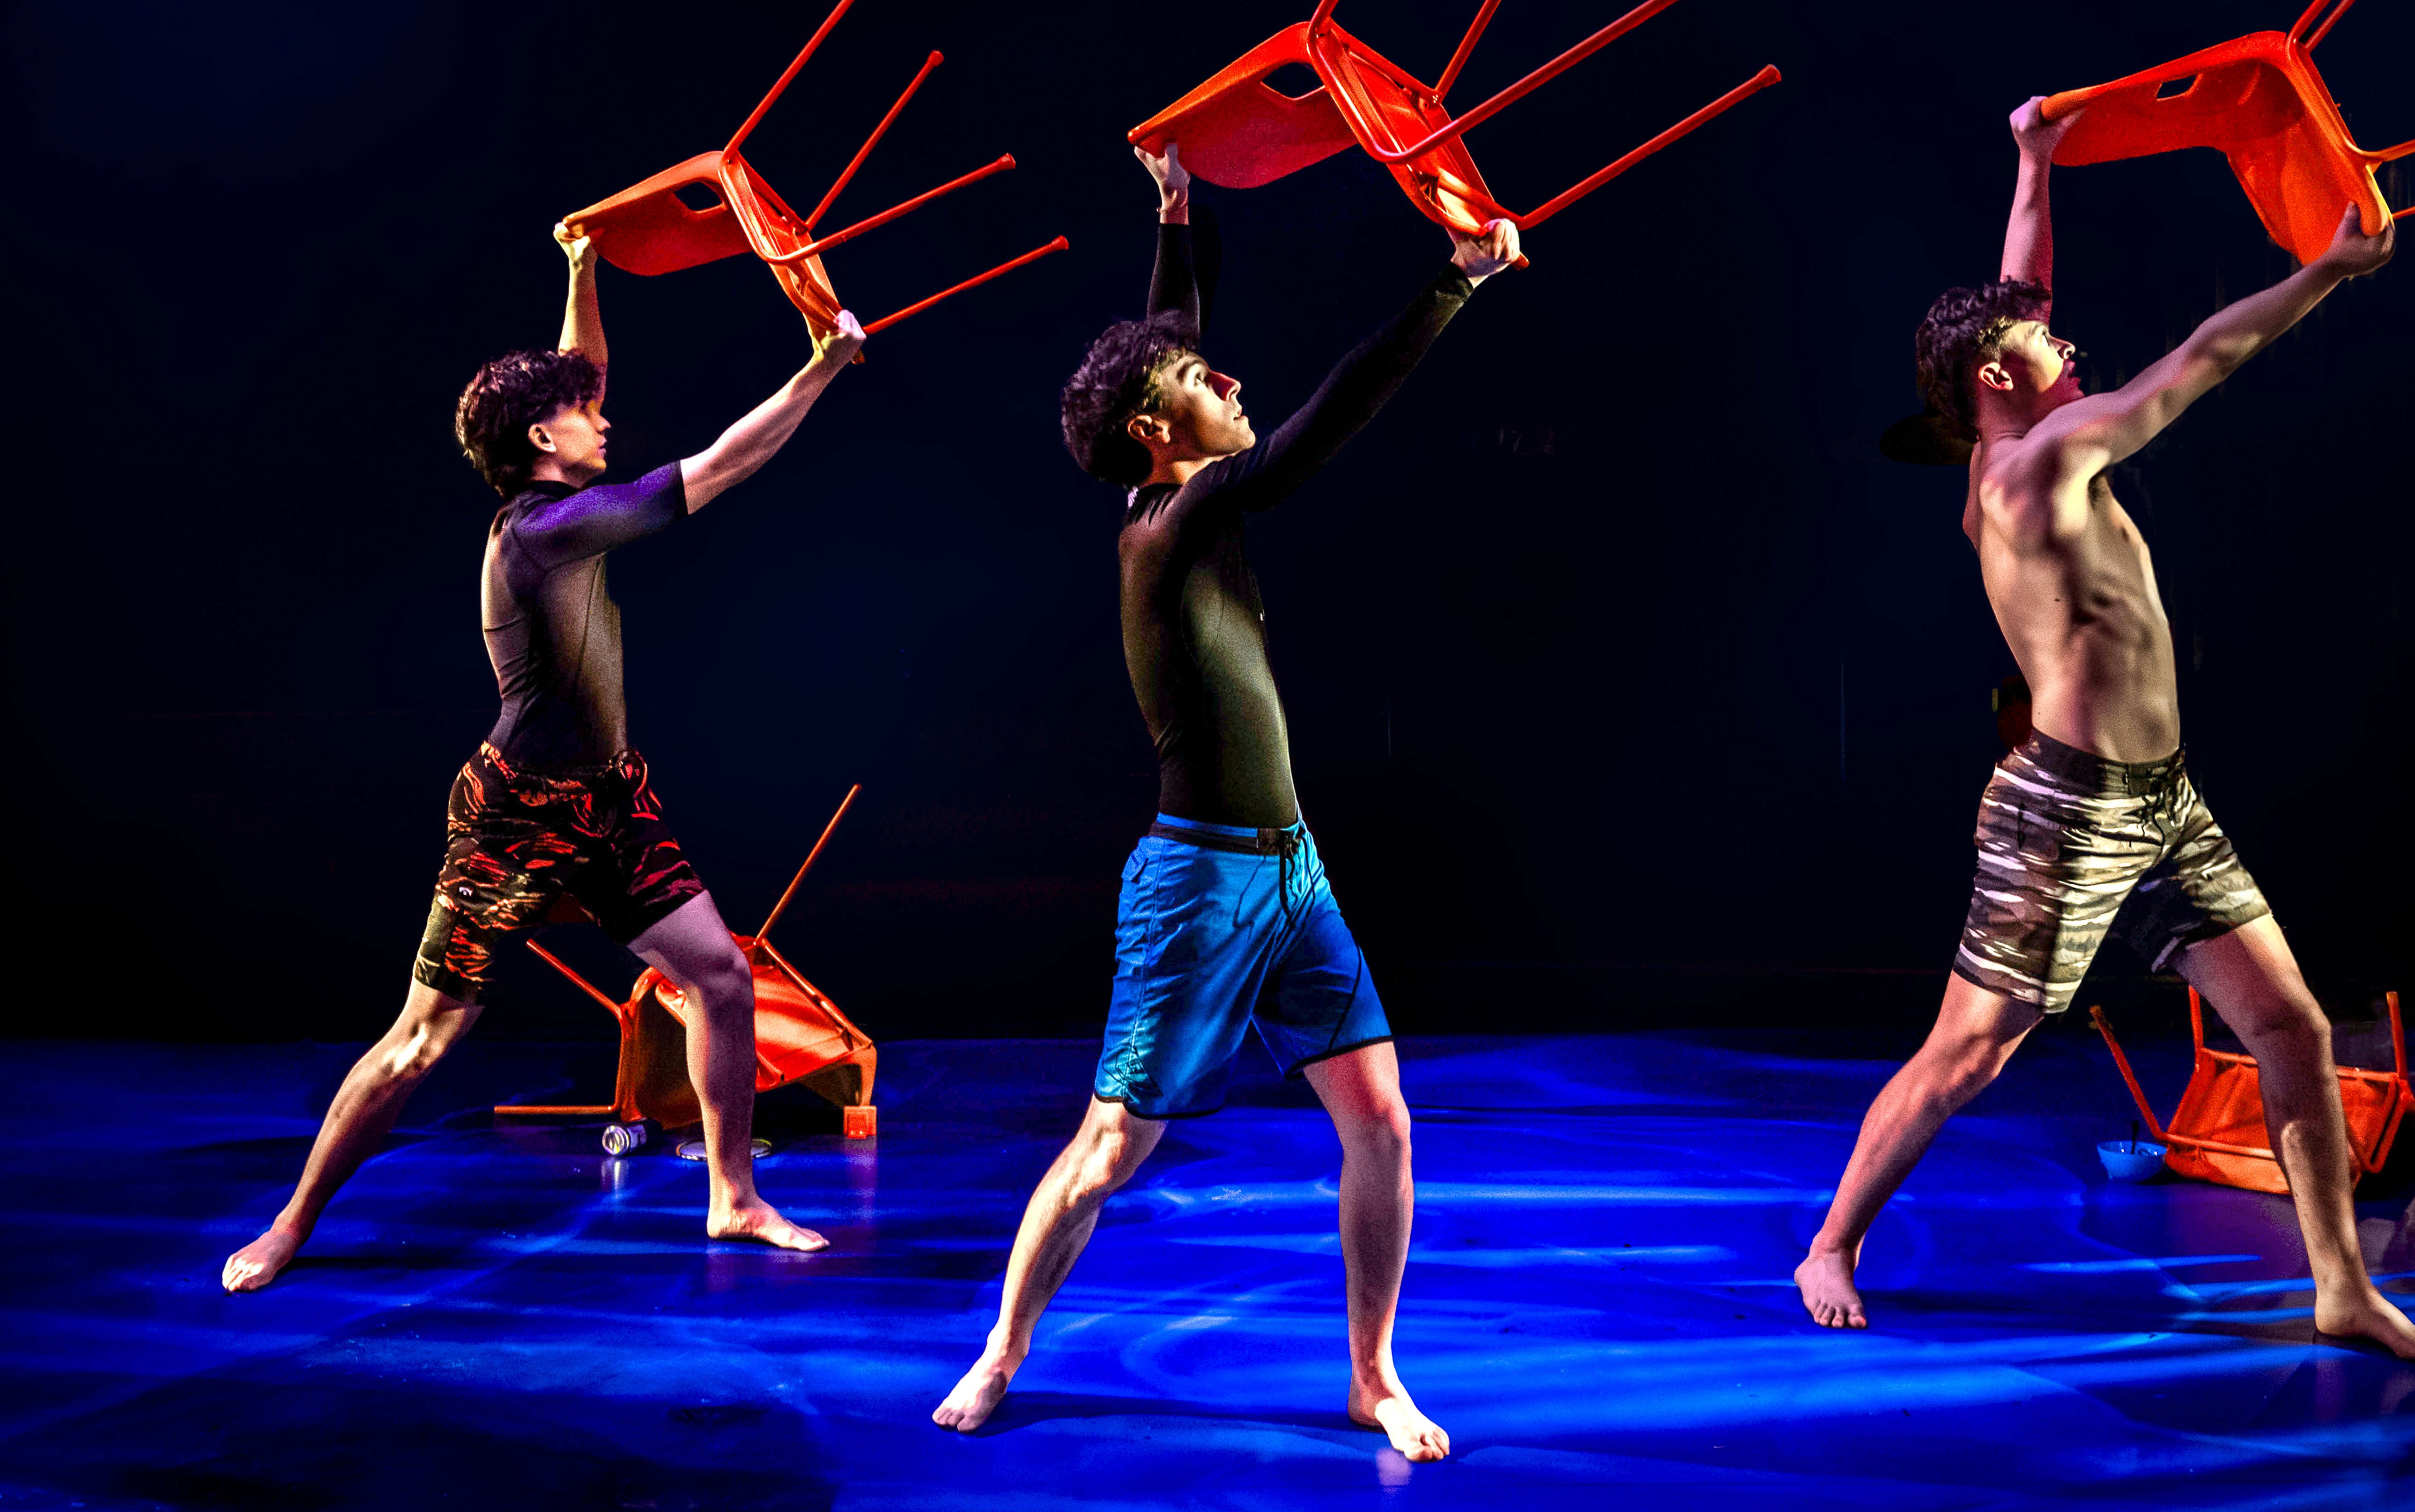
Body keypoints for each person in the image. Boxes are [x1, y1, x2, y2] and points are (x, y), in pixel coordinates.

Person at [1793, 101, 2415, 1369]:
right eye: (2041, 346)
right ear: (1998, 381)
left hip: (2163, 800)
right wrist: (2327, 269)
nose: (2067, 343)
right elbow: (2200, 361)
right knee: (1968, 1055)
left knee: (2292, 1027)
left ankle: (2341, 1289)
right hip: (2066, 810)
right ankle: (1831, 1243)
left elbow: (2023, 294)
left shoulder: (2011, 440)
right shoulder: (2038, 468)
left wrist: (2033, 161)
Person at [933, 144, 1521, 1459]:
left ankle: (1371, 1374)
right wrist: (1456, 282)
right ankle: (1003, 1349)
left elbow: (1171, 335)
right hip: (1197, 885)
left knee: (1382, 1119)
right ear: (1159, 432)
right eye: (1205, 384)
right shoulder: (1172, 525)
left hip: (1293, 872)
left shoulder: (1174, 485)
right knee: (1110, 1146)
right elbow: (1331, 416)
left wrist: (1176, 206)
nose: (1231, 379)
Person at [222, 221, 864, 1292]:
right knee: (424, 1039)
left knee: (719, 974)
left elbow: (581, 370)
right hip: (514, 818)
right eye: (583, 412)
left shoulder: (559, 501)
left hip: (609, 800)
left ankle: (734, 1194)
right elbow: (723, 464)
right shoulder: (540, 533)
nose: (603, 413)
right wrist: (827, 363)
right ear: (539, 439)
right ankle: (291, 1220)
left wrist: (583, 265)